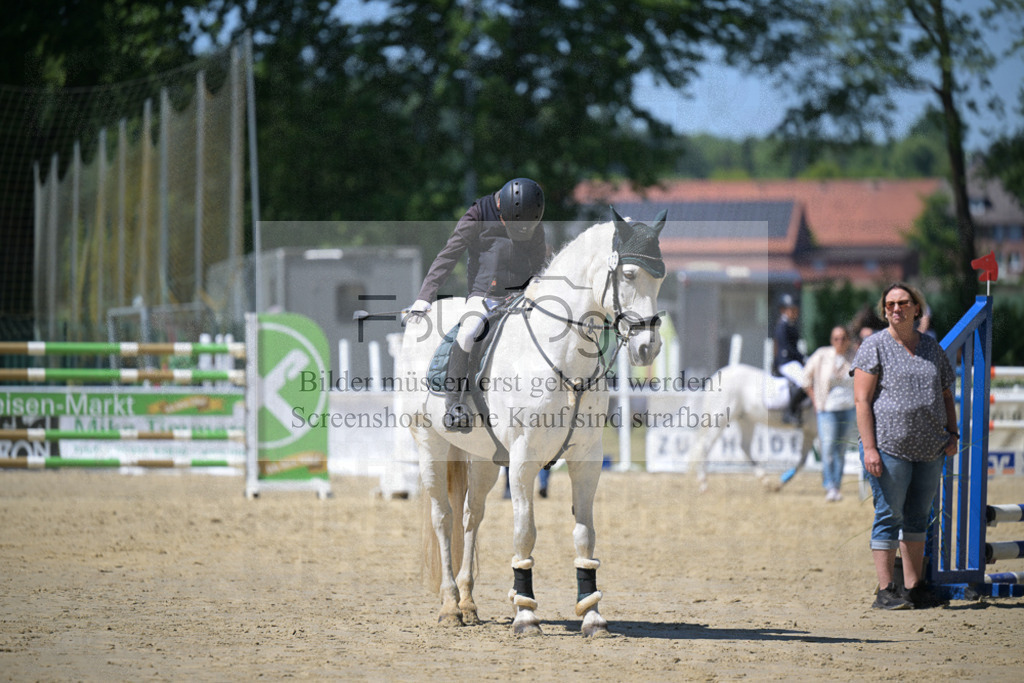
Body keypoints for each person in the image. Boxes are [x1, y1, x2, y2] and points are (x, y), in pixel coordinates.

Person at [409, 178, 547, 433]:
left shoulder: (531, 219)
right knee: (469, 330)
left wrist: (538, 287)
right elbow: (449, 255)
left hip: (523, 296)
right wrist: (425, 296)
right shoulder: (478, 213)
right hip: (485, 295)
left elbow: (540, 265)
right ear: (502, 211)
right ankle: (454, 405)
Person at [851, 282, 958, 610]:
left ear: (916, 308)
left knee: (918, 517)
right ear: (884, 311)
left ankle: (913, 587)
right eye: (891, 304)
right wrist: (869, 448)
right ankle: (885, 590)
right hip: (888, 448)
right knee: (889, 514)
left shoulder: (932, 348)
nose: (897, 308)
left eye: (903, 303)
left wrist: (952, 433)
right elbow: (861, 400)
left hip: (930, 449)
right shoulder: (874, 347)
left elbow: (945, 395)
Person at [802, 325, 856, 502]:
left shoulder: (854, 356)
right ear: (831, 340)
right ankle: (829, 484)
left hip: (848, 408)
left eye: (843, 338)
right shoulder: (822, 355)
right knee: (827, 448)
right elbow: (805, 378)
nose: (840, 342)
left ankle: (836, 485)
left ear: (848, 340)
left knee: (841, 449)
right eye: (836, 339)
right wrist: (815, 400)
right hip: (828, 409)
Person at [772, 293, 807, 426]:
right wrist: (802, 358)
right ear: (783, 310)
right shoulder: (783, 325)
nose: (795, 313)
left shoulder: (791, 325)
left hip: (792, 360)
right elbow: (787, 348)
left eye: (796, 310)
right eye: (792, 310)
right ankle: (790, 412)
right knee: (805, 382)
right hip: (786, 361)